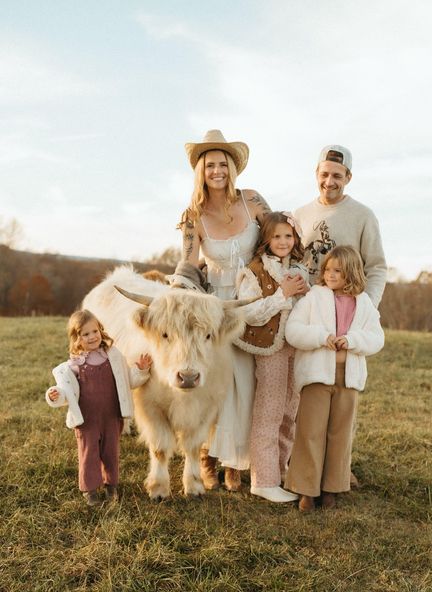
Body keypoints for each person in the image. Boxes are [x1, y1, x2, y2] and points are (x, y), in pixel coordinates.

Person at [178, 129, 271, 492]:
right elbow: (186, 264)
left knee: (245, 382)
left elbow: (277, 235)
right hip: (213, 309)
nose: (217, 171)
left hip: (252, 302)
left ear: (233, 168)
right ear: (201, 171)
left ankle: (236, 462)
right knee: (214, 383)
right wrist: (179, 293)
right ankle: (206, 456)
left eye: (223, 164)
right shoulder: (193, 216)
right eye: (210, 165)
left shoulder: (253, 200)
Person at [284, 246, 384, 512]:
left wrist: (352, 341)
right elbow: (293, 331)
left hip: (348, 378)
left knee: (340, 434)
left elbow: (377, 338)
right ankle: (306, 490)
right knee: (310, 432)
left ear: (351, 272)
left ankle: (332, 488)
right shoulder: (314, 298)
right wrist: (320, 337)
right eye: (327, 269)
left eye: (337, 270)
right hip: (317, 376)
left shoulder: (364, 304)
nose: (330, 274)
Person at [234, 212, 309, 503]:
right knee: (270, 411)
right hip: (270, 349)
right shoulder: (254, 271)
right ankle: (262, 480)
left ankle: (280, 472)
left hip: (295, 347)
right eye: (276, 236)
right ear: (266, 239)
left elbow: (307, 306)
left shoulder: (301, 270)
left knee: (290, 411)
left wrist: (306, 292)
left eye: (288, 236)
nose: (283, 241)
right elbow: (247, 313)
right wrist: (282, 294)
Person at [45, 310, 152, 506]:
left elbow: (128, 382)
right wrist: (55, 394)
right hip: (87, 420)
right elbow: (65, 392)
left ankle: (111, 486)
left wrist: (142, 370)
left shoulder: (114, 356)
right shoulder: (74, 365)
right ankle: (90, 490)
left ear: (101, 330)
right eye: (85, 334)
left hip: (112, 416)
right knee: (89, 453)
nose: (92, 337)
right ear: (77, 338)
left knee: (111, 452)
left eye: (95, 331)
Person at [294, 144, 387, 308]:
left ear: (348, 177)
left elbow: (376, 267)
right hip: (303, 308)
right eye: (324, 174)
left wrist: (367, 308)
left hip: (343, 311)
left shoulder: (363, 216)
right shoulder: (299, 215)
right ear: (317, 174)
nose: (329, 182)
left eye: (337, 176)